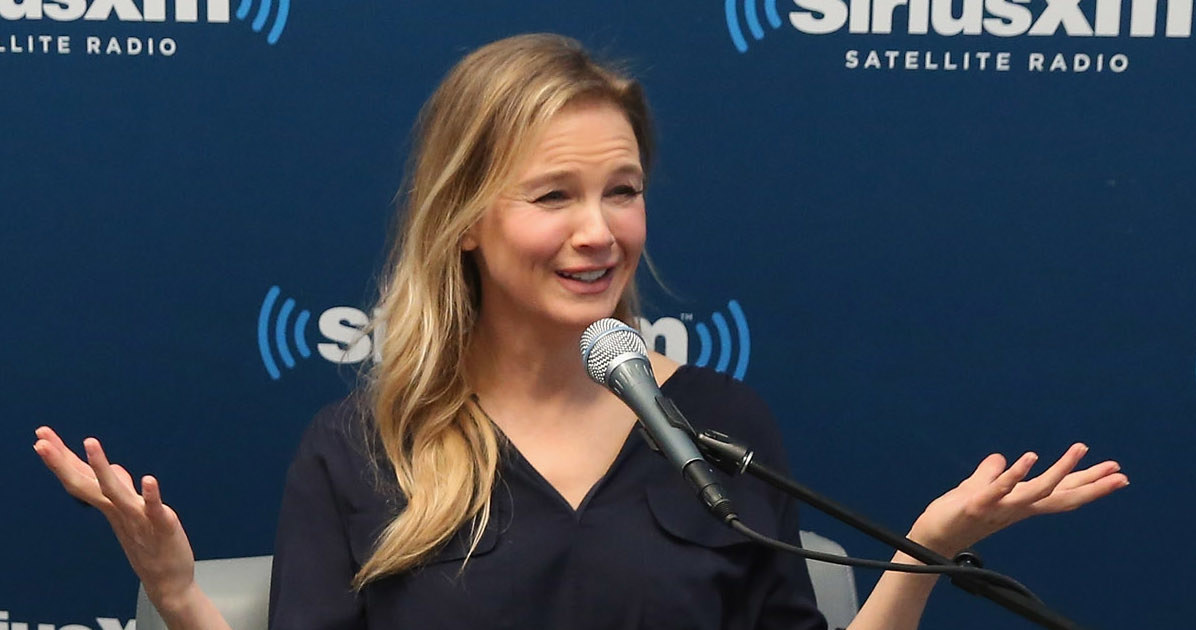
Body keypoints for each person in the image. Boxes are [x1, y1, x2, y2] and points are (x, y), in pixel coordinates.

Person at [34, 33, 1129, 630]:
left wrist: (925, 553)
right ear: (464, 221)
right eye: (551, 195)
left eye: (622, 190)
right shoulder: (359, 445)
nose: (598, 233)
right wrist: (178, 596)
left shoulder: (720, 425)